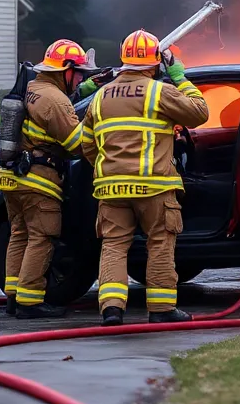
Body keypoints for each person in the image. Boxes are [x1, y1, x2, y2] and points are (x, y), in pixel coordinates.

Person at [81, 30, 209, 326]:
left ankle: (111, 308)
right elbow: (200, 112)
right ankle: (162, 309)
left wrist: (107, 165)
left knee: (113, 245)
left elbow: (86, 144)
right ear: (155, 64)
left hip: (111, 188)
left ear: (124, 61)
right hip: (155, 186)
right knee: (160, 243)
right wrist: (179, 76)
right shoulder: (158, 92)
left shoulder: (100, 97)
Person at [0, 40, 98, 319]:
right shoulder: (54, 98)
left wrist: (83, 92)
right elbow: (77, 143)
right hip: (37, 181)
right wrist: (95, 121)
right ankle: (30, 301)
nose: (81, 79)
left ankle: (14, 298)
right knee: (42, 237)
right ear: (65, 69)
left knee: (20, 235)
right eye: (79, 73)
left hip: (11, 177)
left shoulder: (32, 88)